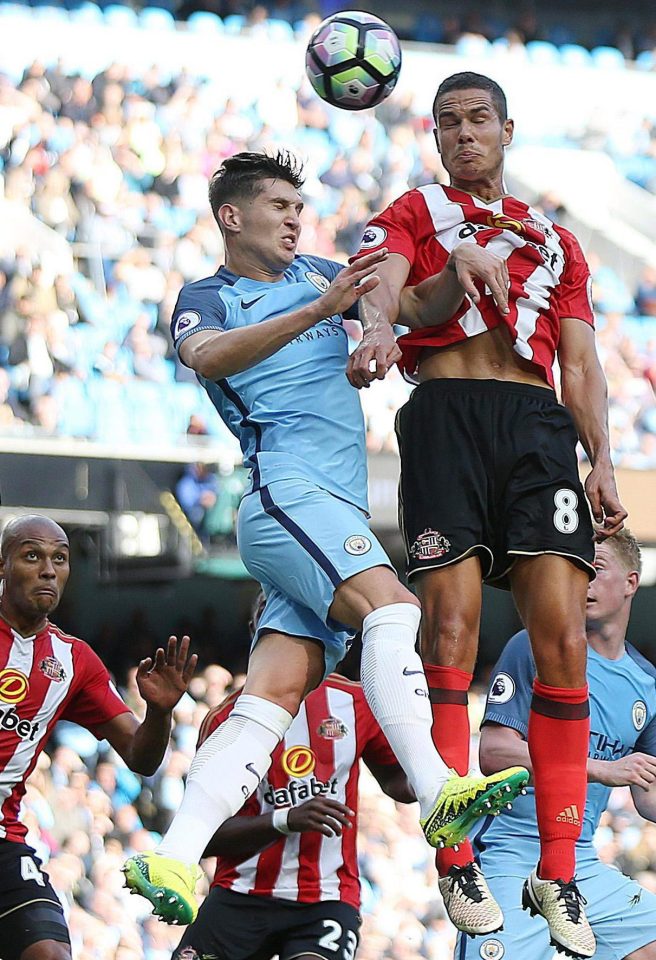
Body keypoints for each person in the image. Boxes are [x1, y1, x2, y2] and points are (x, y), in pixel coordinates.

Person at [123, 150, 528, 929]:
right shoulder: (207, 297)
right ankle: (439, 787)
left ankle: (172, 851)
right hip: (284, 493)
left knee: (270, 697)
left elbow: (413, 305)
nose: (294, 217)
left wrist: (463, 266)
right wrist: (320, 313)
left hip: (324, 505)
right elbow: (207, 358)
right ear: (232, 217)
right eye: (277, 205)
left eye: (298, 206)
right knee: (392, 607)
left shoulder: (320, 270)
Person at [346, 71, 626, 956]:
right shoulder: (416, 212)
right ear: (434, 138)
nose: (463, 134)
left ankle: (559, 871)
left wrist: (603, 458)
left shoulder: (557, 242)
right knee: (453, 632)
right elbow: (383, 285)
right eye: (447, 123)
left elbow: (579, 362)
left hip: (537, 428)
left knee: (563, 642)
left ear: (508, 129)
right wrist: (378, 328)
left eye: (478, 120)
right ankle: (457, 851)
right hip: (444, 417)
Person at [0, 513, 198, 960]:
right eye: (32, 556)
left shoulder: (75, 662)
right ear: (2, 566)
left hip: (3, 837)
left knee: (50, 952)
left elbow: (141, 757)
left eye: (60, 559)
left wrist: (160, 712)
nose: (49, 569)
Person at [459, 529, 656, 960]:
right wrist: (599, 768)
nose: (582, 582)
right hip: (512, 857)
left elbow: (648, 797)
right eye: (578, 570)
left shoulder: (647, 684)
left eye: (596, 570)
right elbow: (493, 753)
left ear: (631, 582)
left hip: (580, 865)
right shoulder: (532, 647)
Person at [172, 610, 415, 960]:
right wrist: (285, 819)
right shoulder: (225, 719)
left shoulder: (355, 702)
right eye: (276, 616)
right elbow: (203, 839)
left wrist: (440, 770)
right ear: (257, 627)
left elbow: (399, 785)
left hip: (325, 899)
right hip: (241, 895)